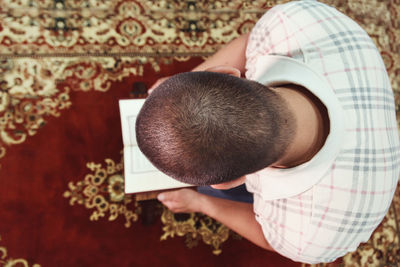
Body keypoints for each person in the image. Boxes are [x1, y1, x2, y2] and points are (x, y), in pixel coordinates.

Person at [136, 0, 400, 264]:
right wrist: (188, 85)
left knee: (207, 194)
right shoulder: (296, 20)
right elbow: (251, 41)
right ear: (227, 72)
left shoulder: (307, 236)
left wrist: (202, 203)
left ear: (230, 183)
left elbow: (267, 237)